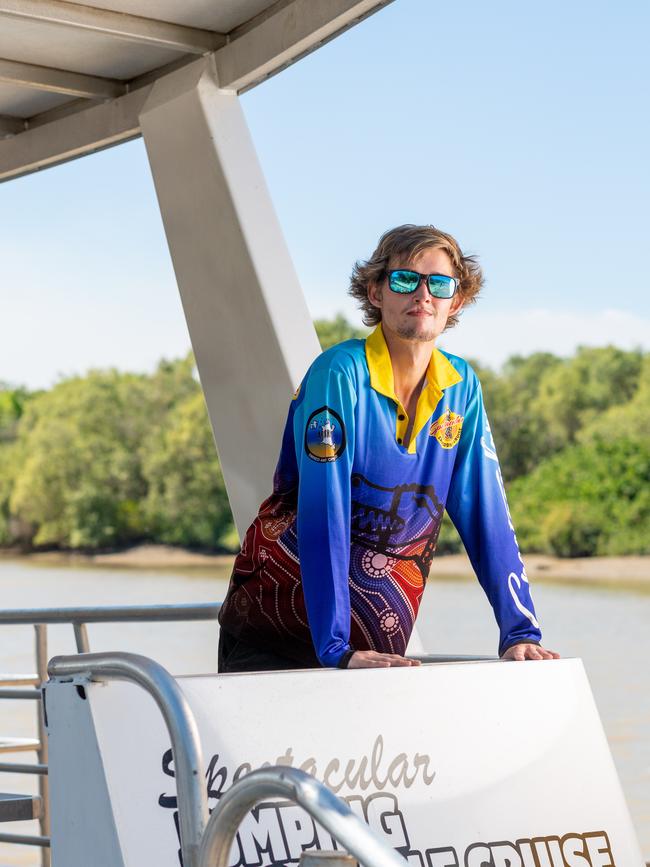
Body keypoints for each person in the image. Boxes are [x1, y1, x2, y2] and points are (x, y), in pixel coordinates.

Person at [217, 224, 559, 671]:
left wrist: (519, 631)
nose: (423, 294)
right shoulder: (339, 374)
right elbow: (324, 512)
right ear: (376, 292)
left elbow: (487, 515)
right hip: (274, 630)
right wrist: (336, 647)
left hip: (373, 653)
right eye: (404, 279)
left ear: (455, 300)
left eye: (439, 283)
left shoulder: (461, 387)